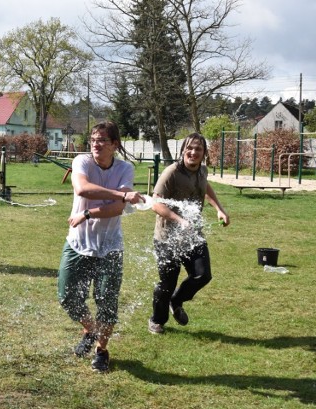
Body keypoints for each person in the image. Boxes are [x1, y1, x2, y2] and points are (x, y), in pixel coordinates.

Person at [57, 121, 144, 373]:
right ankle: (89, 329)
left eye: (102, 140)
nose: (96, 144)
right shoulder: (82, 162)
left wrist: (87, 215)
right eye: (93, 139)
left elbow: (117, 210)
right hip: (77, 242)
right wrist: (122, 194)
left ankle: (101, 350)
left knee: (106, 300)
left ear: (115, 145)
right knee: (67, 295)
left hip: (110, 246)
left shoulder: (125, 169)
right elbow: (82, 189)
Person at [147, 133, 230, 335]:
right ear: (183, 150)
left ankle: (176, 301)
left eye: (198, 149)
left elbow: (205, 187)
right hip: (168, 237)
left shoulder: (202, 170)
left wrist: (220, 209)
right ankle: (157, 320)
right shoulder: (171, 172)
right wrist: (179, 220)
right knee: (167, 283)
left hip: (193, 236)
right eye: (189, 148)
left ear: (204, 153)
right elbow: (155, 203)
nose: (193, 152)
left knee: (203, 274)